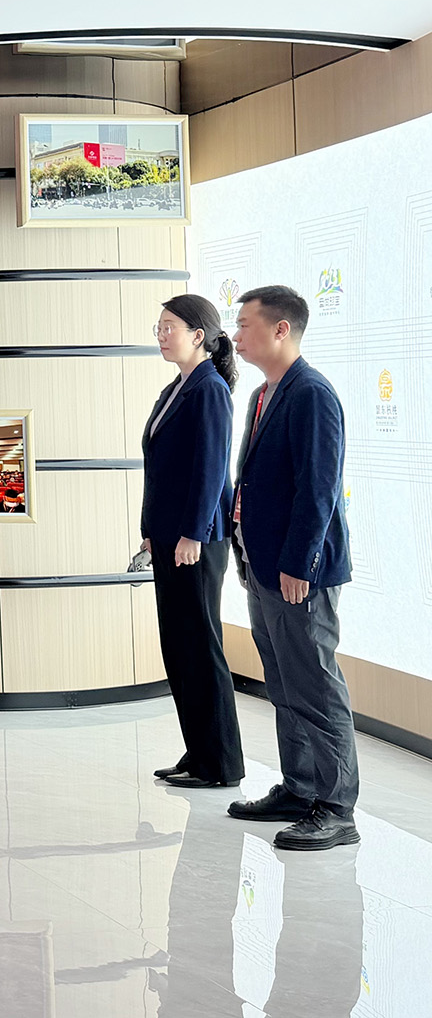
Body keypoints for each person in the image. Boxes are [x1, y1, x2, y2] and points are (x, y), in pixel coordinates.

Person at [226, 285, 359, 850]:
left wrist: (299, 563)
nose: (236, 335)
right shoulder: (264, 394)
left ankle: (336, 808)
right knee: (284, 683)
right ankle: (300, 788)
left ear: (281, 329)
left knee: (315, 685)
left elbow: (319, 489)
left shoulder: (311, 393)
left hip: (298, 571)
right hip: (264, 566)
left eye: (246, 324)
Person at [141, 294, 245, 790]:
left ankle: (219, 764)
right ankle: (198, 750)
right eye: (158, 327)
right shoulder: (176, 387)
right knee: (179, 646)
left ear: (198, 335)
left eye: (170, 327)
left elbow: (210, 469)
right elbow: (160, 470)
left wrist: (192, 533)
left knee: (200, 647)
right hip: (169, 536)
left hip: (195, 541)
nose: (162, 335)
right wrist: (149, 529)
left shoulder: (210, 389)